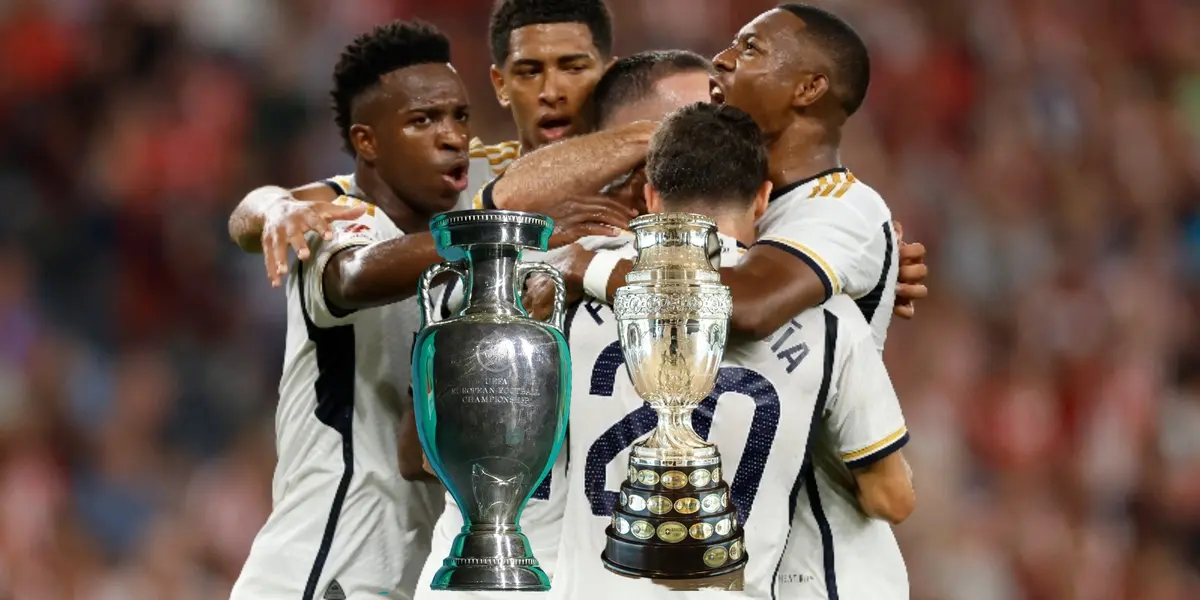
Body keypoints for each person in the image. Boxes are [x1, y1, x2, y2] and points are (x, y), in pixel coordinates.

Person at [553, 102, 915, 600]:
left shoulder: (569, 280)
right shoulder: (832, 320)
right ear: (764, 199)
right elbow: (890, 497)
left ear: (650, 197)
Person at [509, 3, 928, 349]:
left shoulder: (838, 210)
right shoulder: (742, 201)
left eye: (749, 49)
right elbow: (507, 197)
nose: (722, 61)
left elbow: (746, 305)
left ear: (807, 89)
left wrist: (591, 269)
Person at [229, 21, 464, 600]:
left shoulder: (445, 239)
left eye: (459, 115)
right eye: (423, 120)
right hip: (327, 560)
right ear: (367, 142)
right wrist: (275, 204)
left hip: (401, 563)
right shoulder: (339, 220)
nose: (452, 136)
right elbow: (350, 273)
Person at [226, 0, 633, 288]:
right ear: (501, 85)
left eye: (573, 67)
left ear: (608, 75)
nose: (552, 91)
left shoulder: (644, 187)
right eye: (529, 72)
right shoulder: (454, 175)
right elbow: (253, 219)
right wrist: (277, 207)